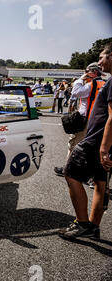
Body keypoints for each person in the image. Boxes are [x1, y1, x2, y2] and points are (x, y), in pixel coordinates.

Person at [59, 42, 112, 239]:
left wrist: (104, 148)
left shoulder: (108, 82)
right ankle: (92, 228)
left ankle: (82, 224)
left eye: (101, 58)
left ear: (111, 57)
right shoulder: (106, 82)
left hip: (97, 140)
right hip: (103, 140)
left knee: (70, 173)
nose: (99, 63)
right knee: (100, 182)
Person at [54, 63, 106, 177]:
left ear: (93, 72)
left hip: (85, 119)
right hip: (98, 120)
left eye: (87, 71)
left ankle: (68, 169)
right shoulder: (104, 84)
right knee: (93, 146)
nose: (85, 73)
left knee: (74, 143)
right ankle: (91, 174)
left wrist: (81, 79)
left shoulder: (91, 85)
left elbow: (75, 92)